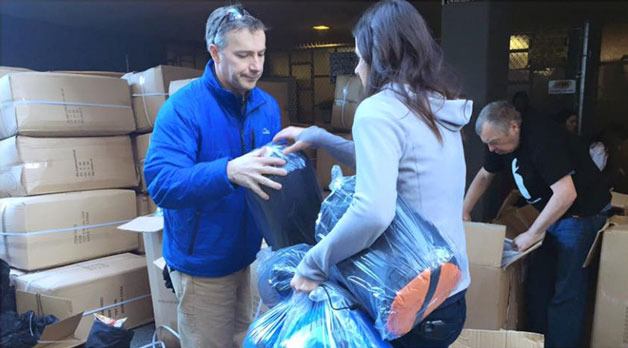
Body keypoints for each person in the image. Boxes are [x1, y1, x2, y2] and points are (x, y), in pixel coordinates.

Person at [274, 1, 472, 346]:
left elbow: (372, 212)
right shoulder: (434, 105)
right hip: (449, 293)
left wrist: (314, 263)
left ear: (378, 57)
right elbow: (392, 166)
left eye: (359, 56)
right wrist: (320, 138)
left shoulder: (378, 110)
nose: (357, 67)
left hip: (410, 298)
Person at [143, 5, 286, 348]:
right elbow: (161, 182)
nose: (256, 65)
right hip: (202, 266)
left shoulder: (266, 106)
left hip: (251, 255)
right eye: (243, 55)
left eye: (261, 53)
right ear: (214, 52)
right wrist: (228, 171)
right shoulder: (183, 108)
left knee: (246, 340)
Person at [463, 101, 610, 348]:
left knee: (566, 290)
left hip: (580, 214)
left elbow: (566, 194)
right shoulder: (498, 140)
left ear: (513, 127)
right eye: (486, 142)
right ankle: (535, 342)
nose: (491, 148)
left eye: (495, 142)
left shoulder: (542, 140)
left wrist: (533, 233)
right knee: (538, 283)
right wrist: (464, 211)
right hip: (553, 213)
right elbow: (485, 175)